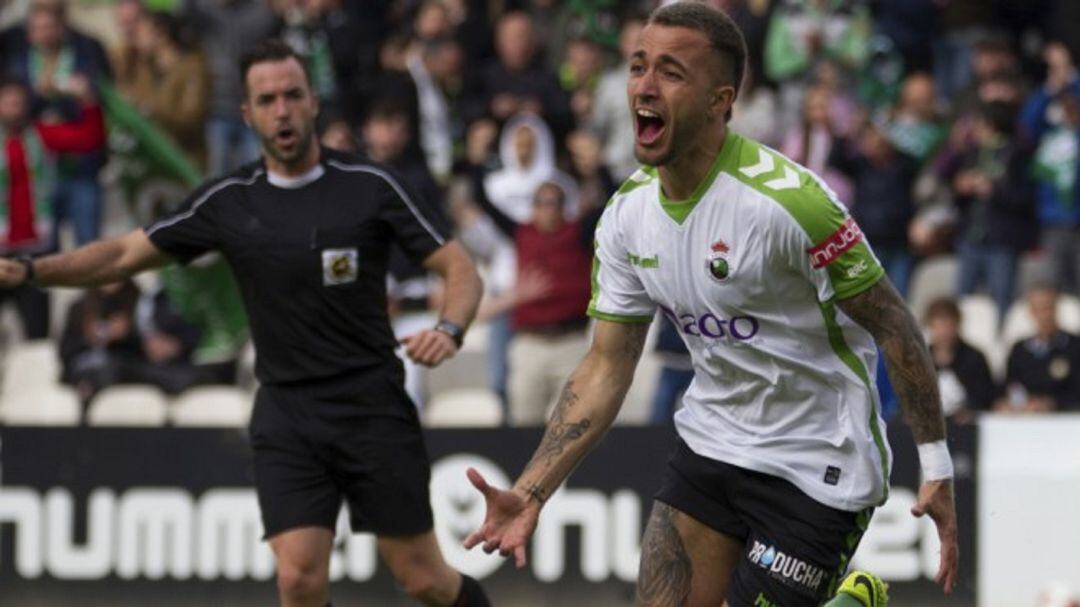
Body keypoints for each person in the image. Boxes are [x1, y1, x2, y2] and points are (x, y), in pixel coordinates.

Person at [463, 4, 957, 607]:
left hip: (818, 463)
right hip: (712, 444)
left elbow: (895, 325)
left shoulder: (792, 205)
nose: (644, 85)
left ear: (721, 99)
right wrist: (533, 490)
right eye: (638, 66)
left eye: (670, 72)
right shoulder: (625, 217)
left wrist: (936, 465)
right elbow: (606, 365)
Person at [0, 40, 489, 607]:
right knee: (298, 580)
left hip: (371, 407)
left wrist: (449, 329)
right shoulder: (230, 201)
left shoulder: (369, 186)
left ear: (312, 104)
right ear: (248, 113)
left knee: (423, 579)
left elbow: (458, 267)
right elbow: (119, 257)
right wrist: (31, 269)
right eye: (267, 99)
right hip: (287, 413)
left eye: (292, 96)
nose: (281, 110)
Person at [996, 285, 1080, 413]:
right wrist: (1013, 403)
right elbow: (1010, 386)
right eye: (1038, 310)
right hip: (1026, 421)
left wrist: (1051, 404)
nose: (1045, 316)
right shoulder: (1020, 350)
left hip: (1065, 422)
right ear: (1031, 313)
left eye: (1048, 308)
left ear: (1056, 309)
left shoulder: (1074, 346)